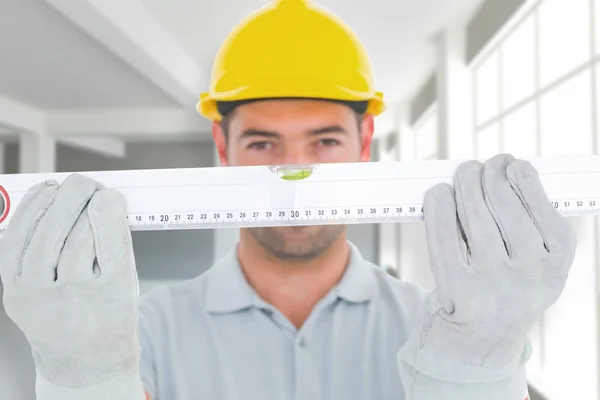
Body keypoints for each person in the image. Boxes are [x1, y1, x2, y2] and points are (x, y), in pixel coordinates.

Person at [0, 0, 577, 399]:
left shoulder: (445, 326)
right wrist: (83, 380)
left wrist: (478, 373)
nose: (294, 171)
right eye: (263, 142)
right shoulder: (139, 332)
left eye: (324, 140)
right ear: (222, 145)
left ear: (364, 143)